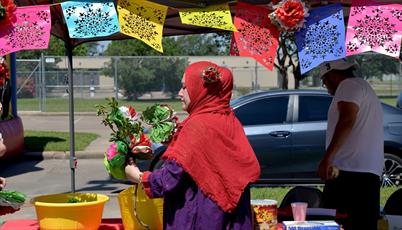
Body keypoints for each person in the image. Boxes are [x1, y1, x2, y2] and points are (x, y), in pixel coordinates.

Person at [125, 61, 260, 229]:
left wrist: (137, 176)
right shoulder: (229, 120)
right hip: (231, 221)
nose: (180, 93)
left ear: (200, 89)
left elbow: (169, 179)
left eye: (185, 87)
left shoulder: (197, 126)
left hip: (202, 218)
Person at [317, 59, 383, 230]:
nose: (326, 87)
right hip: (366, 175)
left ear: (331, 75)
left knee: (335, 224)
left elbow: (347, 119)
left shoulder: (347, 86)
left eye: (324, 81)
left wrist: (327, 158)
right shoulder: (363, 87)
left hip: (348, 174)